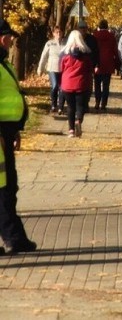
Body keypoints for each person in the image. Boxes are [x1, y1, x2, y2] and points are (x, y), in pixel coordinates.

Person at [0, 19, 37, 254]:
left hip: (6, 131)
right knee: (4, 187)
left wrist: (16, 130)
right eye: (8, 36)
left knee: (7, 186)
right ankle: (14, 237)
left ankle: (14, 237)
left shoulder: (4, 64)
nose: (11, 39)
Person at [60, 30, 93, 138]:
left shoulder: (64, 54)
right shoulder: (87, 53)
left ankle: (71, 130)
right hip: (81, 83)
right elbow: (89, 69)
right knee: (80, 105)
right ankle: (78, 120)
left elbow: (61, 68)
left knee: (70, 107)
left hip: (67, 83)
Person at [36, 25, 65, 114]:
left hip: (63, 69)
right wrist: (40, 68)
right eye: (57, 32)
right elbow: (44, 56)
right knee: (55, 85)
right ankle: (53, 105)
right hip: (52, 68)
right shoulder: (49, 43)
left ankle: (60, 107)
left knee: (62, 88)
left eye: (60, 32)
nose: (58, 34)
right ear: (53, 33)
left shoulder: (66, 43)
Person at [92, 19, 119, 111]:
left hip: (97, 63)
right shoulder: (111, 36)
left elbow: (93, 49)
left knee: (97, 84)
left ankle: (97, 101)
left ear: (99, 26)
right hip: (108, 63)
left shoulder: (95, 35)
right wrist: (117, 63)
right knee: (106, 85)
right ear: (107, 26)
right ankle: (104, 104)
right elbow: (115, 50)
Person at [76, 20, 99, 112]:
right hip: (77, 66)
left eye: (84, 28)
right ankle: (80, 103)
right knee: (79, 84)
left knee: (89, 85)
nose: (83, 30)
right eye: (81, 28)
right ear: (78, 29)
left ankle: (86, 102)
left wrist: (97, 64)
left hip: (89, 66)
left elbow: (97, 52)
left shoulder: (92, 39)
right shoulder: (75, 38)